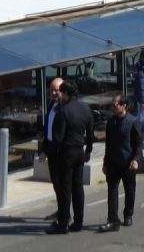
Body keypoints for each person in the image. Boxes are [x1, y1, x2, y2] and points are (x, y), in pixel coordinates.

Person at [47, 78, 94, 231]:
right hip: (80, 151)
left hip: (66, 153)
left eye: (61, 92)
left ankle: (63, 223)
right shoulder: (85, 108)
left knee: (65, 188)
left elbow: (58, 138)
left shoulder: (63, 111)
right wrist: (88, 151)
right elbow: (90, 133)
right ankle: (79, 221)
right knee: (78, 187)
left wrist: (54, 152)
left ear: (66, 93)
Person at [98, 94, 141, 231]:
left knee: (129, 190)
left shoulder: (133, 121)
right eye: (112, 105)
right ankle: (112, 219)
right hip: (113, 162)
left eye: (115, 105)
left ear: (124, 106)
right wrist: (105, 162)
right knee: (112, 191)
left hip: (128, 162)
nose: (113, 107)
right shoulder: (111, 122)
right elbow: (108, 144)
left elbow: (139, 144)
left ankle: (128, 214)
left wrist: (135, 159)